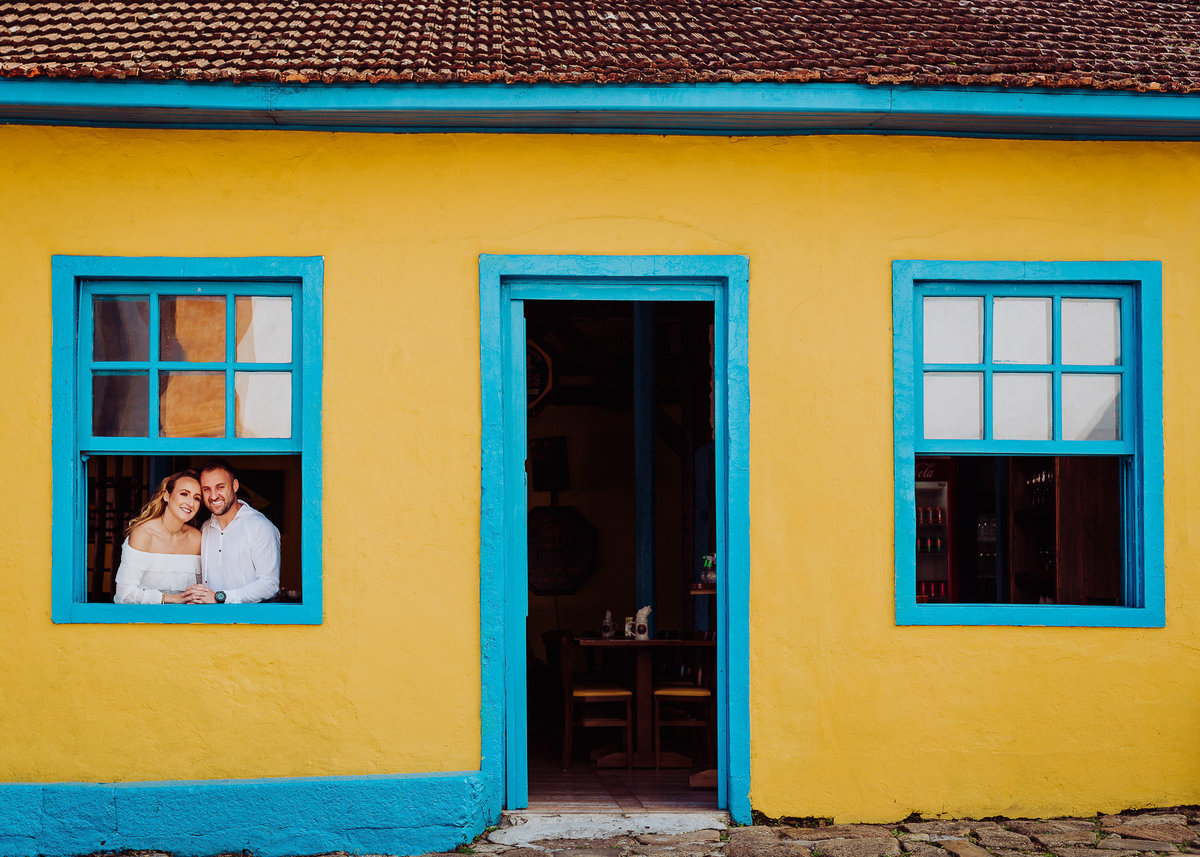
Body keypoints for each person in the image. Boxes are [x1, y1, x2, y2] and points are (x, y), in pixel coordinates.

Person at [183, 459, 280, 604]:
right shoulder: (206, 528)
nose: (214, 496)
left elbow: (269, 585)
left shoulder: (260, 526)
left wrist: (220, 597)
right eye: (206, 489)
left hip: (245, 622)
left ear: (235, 486)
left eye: (220, 487)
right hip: (207, 622)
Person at [113, 470, 203, 604]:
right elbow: (124, 593)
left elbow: (201, 590)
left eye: (197, 498)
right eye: (184, 494)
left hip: (186, 620)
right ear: (166, 496)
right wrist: (174, 599)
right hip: (144, 620)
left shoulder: (196, 538)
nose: (191, 503)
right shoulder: (143, 534)